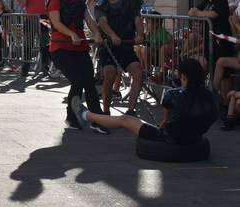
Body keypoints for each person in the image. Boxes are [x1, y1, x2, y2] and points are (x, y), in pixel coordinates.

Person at [71, 58, 218, 146]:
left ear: (184, 76)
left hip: (170, 139)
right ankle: (87, 115)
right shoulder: (211, 97)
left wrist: (160, 129)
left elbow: (166, 121)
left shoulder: (173, 94)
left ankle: (85, 115)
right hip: (195, 138)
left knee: (126, 119)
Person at [47, 0, 106, 133]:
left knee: (89, 81)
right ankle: (71, 116)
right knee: (78, 80)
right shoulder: (54, 0)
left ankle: (98, 118)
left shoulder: (79, 0)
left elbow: (89, 18)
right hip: (60, 48)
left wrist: (96, 33)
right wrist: (72, 33)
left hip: (79, 46)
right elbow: (56, 23)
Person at [94, 0, 145, 116]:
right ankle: (105, 110)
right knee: (110, 72)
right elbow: (102, 22)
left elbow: (137, 19)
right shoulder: (100, 6)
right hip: (108, 46)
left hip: (126, 46)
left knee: (138, 71)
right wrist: (113, 35)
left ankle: (131, 110)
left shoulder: (130, 2)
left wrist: (140, 35)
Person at [188, 0, 233, 71]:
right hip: (209, 43)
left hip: (221, 44)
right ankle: (202, 85)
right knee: (203, 64)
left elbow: (213, 14)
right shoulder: (205, 2)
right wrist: (195, 12)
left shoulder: (221, 0)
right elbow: (191, 12)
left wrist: (198, 13)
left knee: (223, 74)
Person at [17, 0, 52, 75]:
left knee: (44, 43)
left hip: (42, 17)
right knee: (28, 44)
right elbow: (22, 5)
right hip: (30, 18)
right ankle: (25, 68)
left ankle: (45, 67)